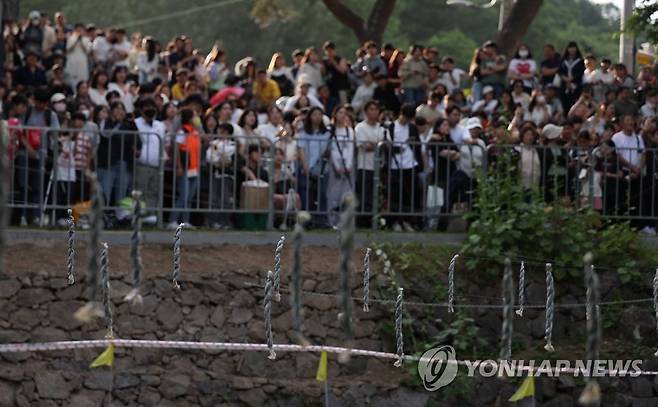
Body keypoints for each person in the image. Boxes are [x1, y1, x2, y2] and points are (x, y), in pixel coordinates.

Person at [386, 103, 424, 231]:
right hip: (395, 165)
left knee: (410, 194)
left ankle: (409, 220)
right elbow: (387, 146)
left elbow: (418, 145)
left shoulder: (412, 128)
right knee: (395, 194)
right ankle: (395, 220)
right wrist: (399, 148)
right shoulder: (391, 127)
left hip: (410, 163)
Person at [97, 101, 139, 208]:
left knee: (121, 193)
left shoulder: (129, 124)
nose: (120, 111)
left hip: (124, 163)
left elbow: (137, 140)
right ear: (111, 111)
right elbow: (106, 135)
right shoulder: (106, 122)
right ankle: (102, 218)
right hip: (108, 163)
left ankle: (119, 218)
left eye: (122, 109)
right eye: (117, 108)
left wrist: (131, 123)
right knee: (105, 192)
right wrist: (117, 124)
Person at [612, 113, 647, 231]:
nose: (630, 123)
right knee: (623, 199)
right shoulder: (616, 137)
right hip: (625, 172)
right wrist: (632, 167)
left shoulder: (638, 137)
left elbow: (643, 153)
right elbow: (617, 155)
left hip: (637, 174)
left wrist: (639, 169)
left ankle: (636, 225)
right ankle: (621, 224)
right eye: (627, 120)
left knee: (636, 199)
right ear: (622, 123)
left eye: (632, 120)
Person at [297, 106, 331, 227]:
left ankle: (322, 220)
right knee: (307, 195)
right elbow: (301, 150)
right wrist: (305, 166)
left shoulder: (327, 134)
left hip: (322, 168)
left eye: (319, 115)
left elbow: (327, 150)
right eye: (314, 114)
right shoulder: (303, 133)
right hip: (307, 167)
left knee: (322, 194)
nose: (317, 117)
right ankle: (307, 221)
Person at [168, 108, 201, 229]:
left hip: (194, 168)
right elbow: (176, 150)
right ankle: (173, 220)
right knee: (183, 195)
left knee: (189, 197)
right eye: (194, 116)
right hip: (185, 167)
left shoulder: (195, 132)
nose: (197, 118)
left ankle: (185, 221)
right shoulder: (182, 132)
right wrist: (179, 167)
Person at [354, 101, 385, 226]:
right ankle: (362, 223)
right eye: (371, 109)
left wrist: (374, 144)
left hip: (379, 167)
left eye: (376, 109)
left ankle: (375, 221)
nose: (374, 112)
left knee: (376, 196)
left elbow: (385, 145)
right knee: (364, 196)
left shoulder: (382, 128)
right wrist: (377, 144)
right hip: (364, 166)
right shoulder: (360, 128)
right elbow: (364, 146)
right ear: (366, 112)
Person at [134, 98, 166, 211]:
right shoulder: (136, 123)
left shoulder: (160, 125)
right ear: (141, 110)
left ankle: (150, 215)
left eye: (152, 107)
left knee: (153, 191)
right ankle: (138, 214)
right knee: (140, 191)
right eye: (147, 107)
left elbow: (162, 143)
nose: (150, 109)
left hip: (157, 165)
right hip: (142, 164)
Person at [326, 105, 355, 226]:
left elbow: (350, 149)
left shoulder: (350, 131)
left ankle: (346, 221)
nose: (342, 115)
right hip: (334, 166)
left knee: (347, 194)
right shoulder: (330, 130)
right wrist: (337, 165)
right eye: (340, 113)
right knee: (333, 194)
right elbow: (332, 149)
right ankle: (332, 220)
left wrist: (348, 165)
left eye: (344, 113)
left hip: (347, 166)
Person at [206, 122, 237, 229]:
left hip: (228, 176)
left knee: (226, 199)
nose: (220, 133)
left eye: (222, 131)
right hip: (216, 174)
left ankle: (225, 221)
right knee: (214, 198)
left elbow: (230, 157)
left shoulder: (233, 145)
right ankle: (213, 221)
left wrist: (222, 159)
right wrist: (219, 160)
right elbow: (210, 156)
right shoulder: (214, 143)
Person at [559, 41, 585, 110]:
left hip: (575, 86)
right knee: (564, 104)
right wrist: (564, 78)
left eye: (573, 48)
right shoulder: (563, 60)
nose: (572, 50)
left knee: (574, 104)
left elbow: (581, 72)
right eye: (570, 48)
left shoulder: (580, 61)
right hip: (564, 86)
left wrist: (572, 78)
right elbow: (560, 71)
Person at [64, 24, 92, 89]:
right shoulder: (70, 39)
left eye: (81, 30)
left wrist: (81, 41)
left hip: (82, 63)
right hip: (72, 62)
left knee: (82, 79)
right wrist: (76, 41)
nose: (79, 31)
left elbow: (87, 51)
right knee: (71, 78)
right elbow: (68, 50)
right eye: (78, 30)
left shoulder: (86, 39)